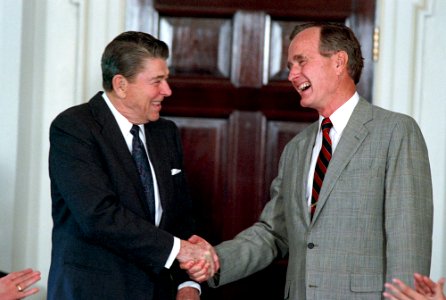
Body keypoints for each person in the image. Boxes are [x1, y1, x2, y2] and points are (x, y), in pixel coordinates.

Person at [184, 22, 433, 298]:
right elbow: (273, 233)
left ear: (339, 62)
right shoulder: (296, 149)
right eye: (291, 65)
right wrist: (214, 260)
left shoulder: (395, 131)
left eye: (301, 61)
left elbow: (408, 242)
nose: (292, 75)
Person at [47, 31, 218, 300]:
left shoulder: (165, 132)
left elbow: (181, 217)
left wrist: (188, 285)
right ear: (121, 84)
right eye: (157, 81)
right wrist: (180, 250)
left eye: (167, 80)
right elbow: (98, 216)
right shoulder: (74, 128)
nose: (167, 91)